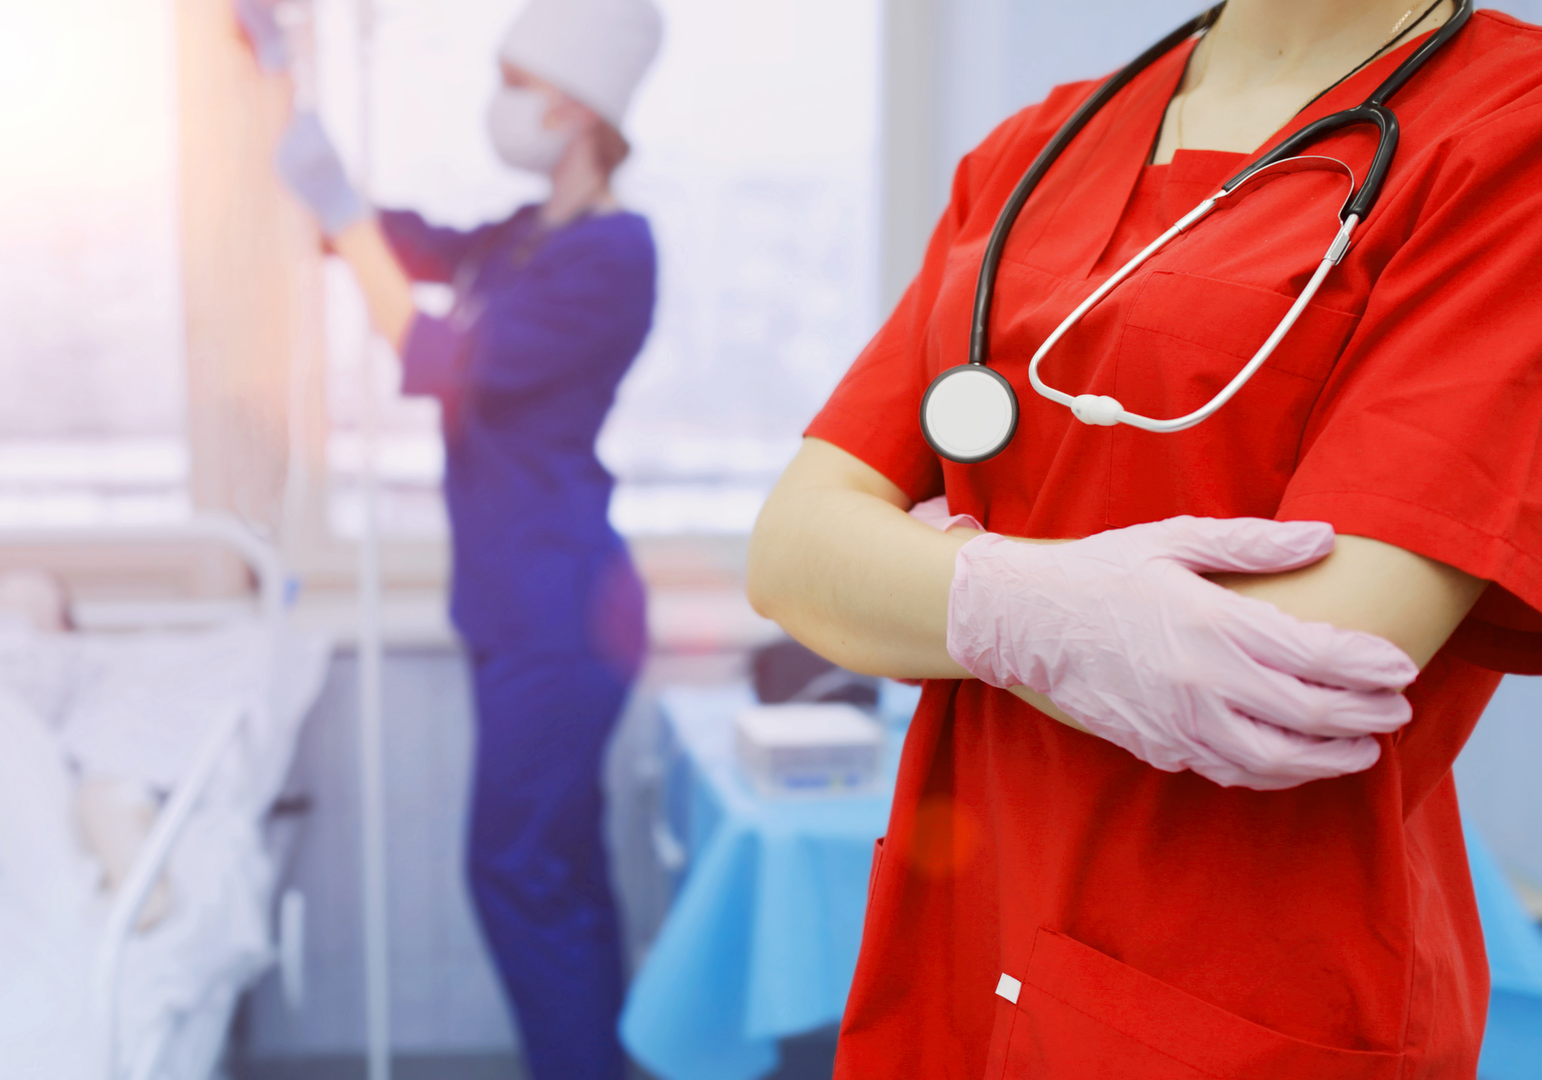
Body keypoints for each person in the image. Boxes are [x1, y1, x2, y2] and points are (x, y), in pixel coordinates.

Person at [747, 1, 1542, 1076]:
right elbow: (793, 553)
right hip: (967, 938)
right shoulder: (1042, 148)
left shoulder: (1509, 133)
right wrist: (1024, 613)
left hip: (1244, 985)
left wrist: (928, 581)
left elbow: (1294, 669)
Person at [239, 2, 663, 1076]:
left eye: (517, 77)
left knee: (514, 870)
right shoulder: (527, 235)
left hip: (561, 612)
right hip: (510, 603)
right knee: (555, 866)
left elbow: (437, 356)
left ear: (576, 110)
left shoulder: (614, 255)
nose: (500, 97)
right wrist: (289, 88)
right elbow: (386, 238)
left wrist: (342, 214)